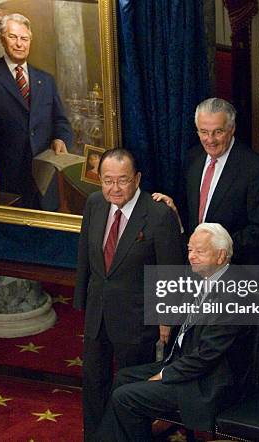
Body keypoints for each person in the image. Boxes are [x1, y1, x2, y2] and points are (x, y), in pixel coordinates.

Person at [96, 223, 255, 441]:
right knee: (123, 379)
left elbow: (206, 356)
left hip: (209, 382)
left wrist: (163, 375)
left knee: (126, 397)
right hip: (183, 364)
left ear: (221, 256)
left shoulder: (235, 294)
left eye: (200, 251)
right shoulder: (203, 278)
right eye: (190, 250)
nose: (191, 257)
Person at [74, 148, 186, 439]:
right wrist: (81, 302)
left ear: (137, 179)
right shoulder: (95, 203)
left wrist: (166, 320)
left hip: (137, 320)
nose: (114, 188)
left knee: (130, 391)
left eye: (122, 180)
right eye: (108, 180)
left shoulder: (159, 215)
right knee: (94, 381)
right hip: (98, 313)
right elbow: (85, 256)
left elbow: (171, 272)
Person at [0, 13, 73, 209]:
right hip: (7, 177)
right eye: (13, 37)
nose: (19, 44)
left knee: (45, 236)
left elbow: (60, 120)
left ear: (30, 41)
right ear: (2, 39)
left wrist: (60, 138)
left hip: (44, 179)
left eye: (24, 38)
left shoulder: (46, 79)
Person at [153, 98, 259, 264]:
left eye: (218, 132)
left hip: (237, 270)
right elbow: (189, 212)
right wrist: (174, 212)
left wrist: (218, 249)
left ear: (231, 129)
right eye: (204, 132)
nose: (210, 139)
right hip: (196, 267)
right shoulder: (193, 158)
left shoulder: (256, 169)